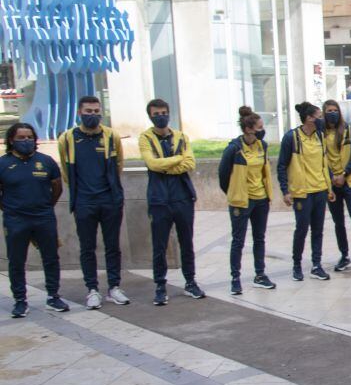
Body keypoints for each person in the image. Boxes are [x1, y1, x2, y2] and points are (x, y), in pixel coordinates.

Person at [57, 95, 129, 309]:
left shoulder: (110, 136)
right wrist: (81, 195)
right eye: (88, 111)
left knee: (112, 246)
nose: (93, 115)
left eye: (96, 111)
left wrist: (113, 193)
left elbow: (119, 165)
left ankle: (114, 288)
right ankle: (92, 290)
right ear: (80, 113)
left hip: (109, 200)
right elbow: (66, 171)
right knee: (87, 247)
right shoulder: (68, 138)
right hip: (84, 202)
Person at [139, 99, 203, 306]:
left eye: (164, 112)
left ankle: (190, 281)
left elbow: (190, 163)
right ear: (150, 116)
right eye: (156, 113)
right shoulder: (146, 138)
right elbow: (152, 164)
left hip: (182, 197)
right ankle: (160, 285)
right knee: (160, 245)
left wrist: (166, 166)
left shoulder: (181, 137)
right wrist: (177, 160)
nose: (161, 116)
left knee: (187, 242)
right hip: (159, 199)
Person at [0, 123, 68, 317]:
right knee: (16, 260)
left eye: (30, 137)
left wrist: (46, 206)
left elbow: (57, 188)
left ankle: (53, 296)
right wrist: (12, 209)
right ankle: (20, 300)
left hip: (43, 217)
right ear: (11, 140)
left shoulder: (46, 161)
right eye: (21, 138)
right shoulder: (3, 164)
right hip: (15, 220)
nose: (26, 141)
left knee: (51, 257)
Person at [218, 106, 276, 296]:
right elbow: (223, 175)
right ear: (249, 129)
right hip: (242, 202)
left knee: (259, 238)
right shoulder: (234, 149)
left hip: (261, 199)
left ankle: (260, 275)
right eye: (259, 127)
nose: (262, 130)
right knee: (238, 241)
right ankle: (235, 279)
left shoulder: (262, 146)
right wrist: (234, 193)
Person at [278, 101, 335, 282]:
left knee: (318, 229)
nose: (321, 120)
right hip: (302, 192)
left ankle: (316, 265)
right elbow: (281, 165)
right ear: (309, 118)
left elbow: (324, 164)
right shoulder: (292, 138)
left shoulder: (320, 137)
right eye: (318, 117)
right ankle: (297, 265)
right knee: (301, 229)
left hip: (320, 189)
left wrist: (329, 187)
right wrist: (285, 190)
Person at [323, 100, 351, 272]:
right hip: (332, 184)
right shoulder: (322, 133)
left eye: (335, 110)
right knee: (338, 221)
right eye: (329, 111)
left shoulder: (348, 130)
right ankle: (344, 255)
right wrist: (333, 177)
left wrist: (344, 174)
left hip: (350, 181)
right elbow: (321, 158)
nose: (332, 113)